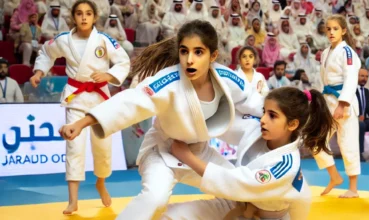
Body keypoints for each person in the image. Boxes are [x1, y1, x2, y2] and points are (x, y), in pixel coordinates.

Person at [59, 20, 264, 220]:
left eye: (198, 52)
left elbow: (254, 102)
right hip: (162, 152)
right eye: (184, 51)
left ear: (213, 55)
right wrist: (81, 123)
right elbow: (130, 102)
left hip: (198, 152)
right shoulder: (168, 80)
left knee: (242, 191)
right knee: (154, 199)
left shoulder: (226, 77)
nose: (189, 60)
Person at [163, 87, 336, 220]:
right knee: (168, 215)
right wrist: (191, 113)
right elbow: (225, 126)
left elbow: (237, 182)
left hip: (265, 214)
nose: (263, 119)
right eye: (264, 112)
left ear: (292, 125)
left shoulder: (286, 166)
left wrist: (186, 156)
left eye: (272, 116)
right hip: (239, 200)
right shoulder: (257, 129)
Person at [29, 0, 130, 214]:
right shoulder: (64, 40)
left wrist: (109, 75)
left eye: (88, 14)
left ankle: (100, 182)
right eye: (79, 14)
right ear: (73, 18)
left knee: (102, 148)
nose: (84, 17)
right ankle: (73, 200)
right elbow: (47, 53)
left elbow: (124, 61)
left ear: (94, 17)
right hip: (75, 98)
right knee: (74, 148)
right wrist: (39, 72)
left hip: (101, 99)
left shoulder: (104, 39)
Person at [315, 14, 361, 198]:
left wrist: (342, 104)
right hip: (328, 102)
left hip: (345, 104)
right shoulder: (326, 52)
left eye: (335, 29)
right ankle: (334, 176)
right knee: (315, 140)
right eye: (329, 29)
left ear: (343, 31)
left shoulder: (347, 52)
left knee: (347, 143)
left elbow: (351, 79)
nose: (331, 32)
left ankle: (353, 189)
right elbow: (323, 80)